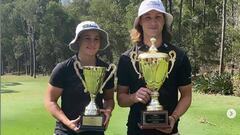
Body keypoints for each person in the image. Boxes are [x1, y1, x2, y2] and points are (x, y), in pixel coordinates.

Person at [116, 0, 192, 135]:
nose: (153, 22)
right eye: (147, 17)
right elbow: (121, 98)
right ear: (140, 21)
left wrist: (173, 118)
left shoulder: (179, 56)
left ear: (164, 21)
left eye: (158, 17)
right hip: (136, 130)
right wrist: (134, 97)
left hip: (169, 131)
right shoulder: (127, 58)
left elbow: (186, 95)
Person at [44, 21, 115, 135]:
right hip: (65, 131)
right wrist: (68, 123)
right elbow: (50, 101)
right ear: (78, 41)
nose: (92, 43)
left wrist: (108, 111)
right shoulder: (63, 69)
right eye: (87, 38)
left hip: (95, 131)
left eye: (96, 39)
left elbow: (109, 99)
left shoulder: (106, 70)